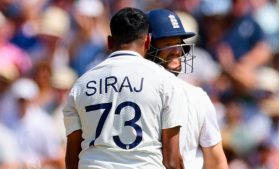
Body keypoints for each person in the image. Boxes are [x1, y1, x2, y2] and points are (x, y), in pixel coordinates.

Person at [63, 7, 185, 169]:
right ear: (148, 41)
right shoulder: (165, 81)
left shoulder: (81, 85)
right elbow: (172, 161)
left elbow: (72, 158)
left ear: (109, 42)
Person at [146, 9, 228, 169]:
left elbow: (217, 162)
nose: (176, 51)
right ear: (147, 46)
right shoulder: (131, 94)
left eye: (178, 43)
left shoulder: (198, 97)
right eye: (168, 44)